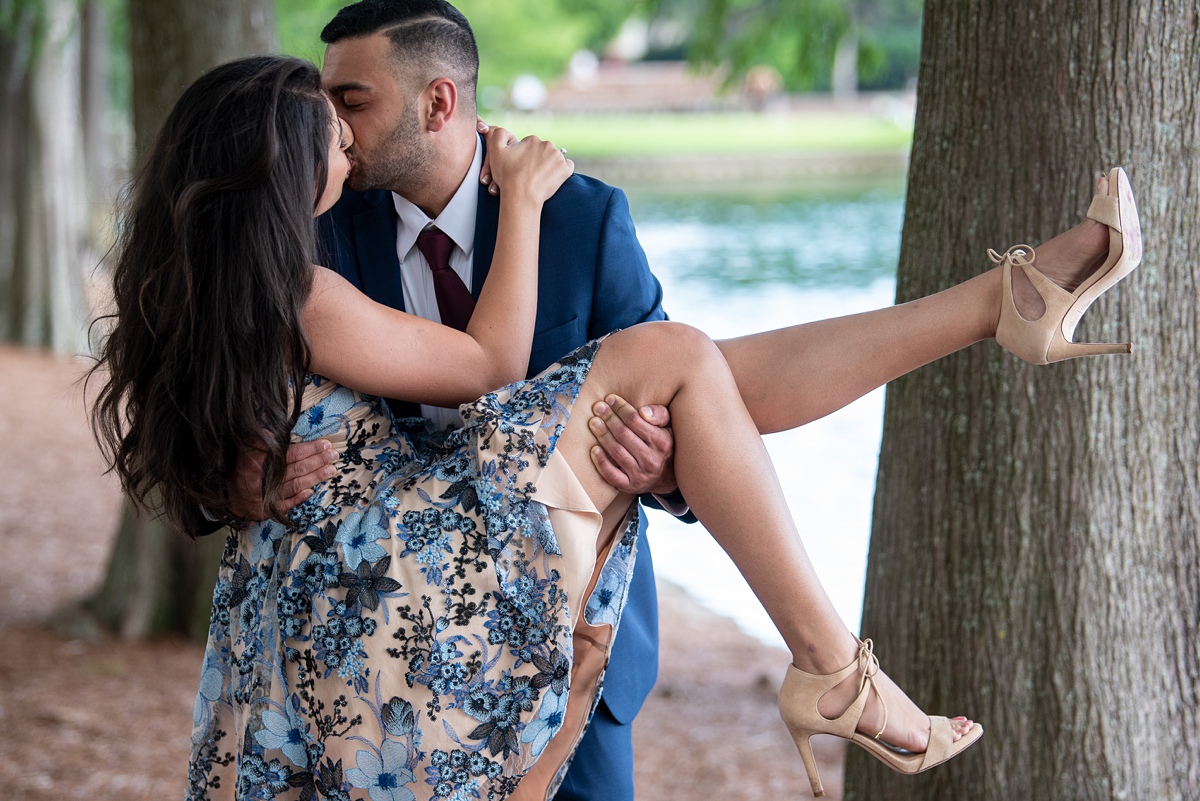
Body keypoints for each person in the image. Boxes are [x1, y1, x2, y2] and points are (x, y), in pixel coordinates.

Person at [90, 53, 1141, 801]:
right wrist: (528, 201)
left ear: (441, 96)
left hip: (338, 590)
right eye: (328, 124)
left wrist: (240, 485)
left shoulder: (206, 289)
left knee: (689, 369)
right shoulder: (309, 276)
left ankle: (993, 310)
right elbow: (494, 369)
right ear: (275, 164)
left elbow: (198, 443)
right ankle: (832, 663)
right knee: (678, 356)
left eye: (350, 106)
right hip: (403, 577)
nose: (346, 135)